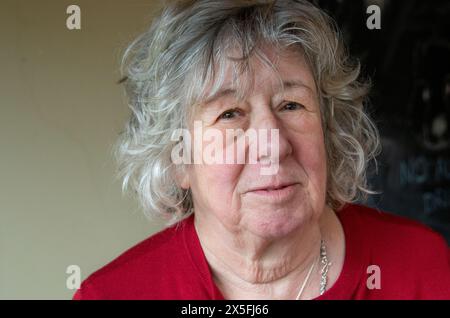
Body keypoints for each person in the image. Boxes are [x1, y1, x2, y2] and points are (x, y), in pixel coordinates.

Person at [74, 0, 450, 300]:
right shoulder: (111, 296)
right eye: (230, 114)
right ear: (178, 159)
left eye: (291, 105)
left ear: (328, 131)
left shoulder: (424, 270)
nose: (273, 145)